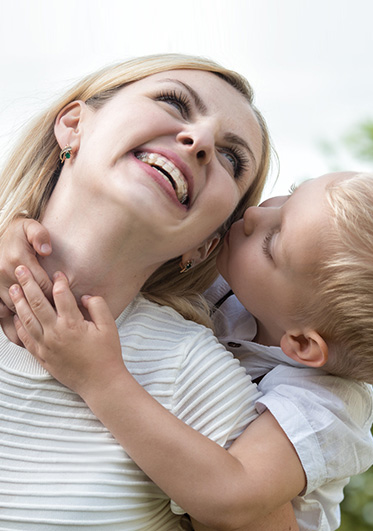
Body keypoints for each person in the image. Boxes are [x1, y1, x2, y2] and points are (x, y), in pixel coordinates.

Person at [0, 53, 302, 531]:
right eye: (174, 103)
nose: (199, 140)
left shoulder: (196, 375)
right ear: (74, 125)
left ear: (207, 244)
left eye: (231, 158)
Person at [3, 172, 373, 529]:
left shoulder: (330, 404)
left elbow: (229, 498)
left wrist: (100, 378)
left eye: (273, 242)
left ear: (301, 344)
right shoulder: (242, 289)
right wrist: (20, 233)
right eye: (294, 192)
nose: (253, 215)